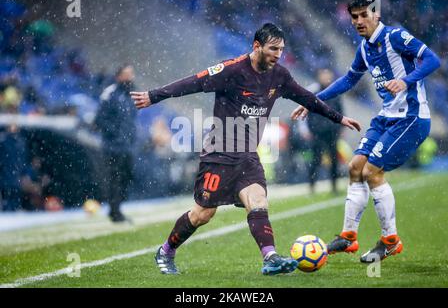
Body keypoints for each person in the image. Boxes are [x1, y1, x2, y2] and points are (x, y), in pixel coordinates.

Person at [131, 23, 361, 275]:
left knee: (258, 201)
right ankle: (166, 251)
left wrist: (338, 118)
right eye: (273, 49)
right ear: (256, 46)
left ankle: (270, 257)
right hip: (219, 155)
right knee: (202, 214)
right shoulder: (231, 70)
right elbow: (193, 82)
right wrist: (155, 95)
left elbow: (307, 98)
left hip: (248, 156)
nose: (278, 54)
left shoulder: (279, 76)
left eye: (281, 50)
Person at [291, 0, 441, 263]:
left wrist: (406, 81)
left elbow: (432, 60)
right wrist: (313, 101)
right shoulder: (364, 48)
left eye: (364, 15)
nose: (359, 21)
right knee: (355, 166)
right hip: (385, 117)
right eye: (355, 17)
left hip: (412, 117)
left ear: (376, 15)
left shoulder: (396, 37)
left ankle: (391, 241)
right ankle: (348, 237)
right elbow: (349, 79)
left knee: (372, 171)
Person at [93, 65, 137, 223]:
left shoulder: (131, 95)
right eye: (127, 74)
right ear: (118, 76)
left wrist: (131, 137)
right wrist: (116, 134)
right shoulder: (110, 93)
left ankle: (117, 208)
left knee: (126, 177)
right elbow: (99, 119)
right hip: (113, 146)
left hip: (127, 146)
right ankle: (115, 211)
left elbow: (131, 120)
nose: (131, 77)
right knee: (115, 178)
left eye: (132, 74)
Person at [299, 68, 344, 194]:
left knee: (334, 160)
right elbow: (304, 110)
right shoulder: (313, 91)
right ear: (319, 76)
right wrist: (305, 129)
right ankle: (312, 186)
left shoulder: (334, 92)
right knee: (316, 160)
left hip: (331, 131)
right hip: (317, 132)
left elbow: (340, 110)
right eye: (323, 75)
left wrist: (341, 127)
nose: (326, 78)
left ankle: (334, 186)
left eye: (328, 75)